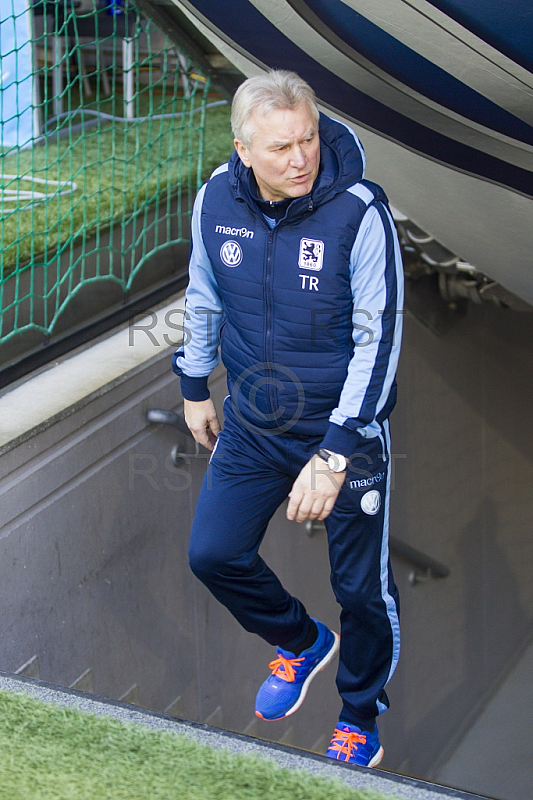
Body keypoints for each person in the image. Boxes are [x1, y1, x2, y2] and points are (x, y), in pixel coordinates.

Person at [172, 70, 403, 768]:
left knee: (360, 590)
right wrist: (192, 385)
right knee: (212, 553)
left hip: (341, 433)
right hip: (252, 420)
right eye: (280, 148)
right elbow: (203, 292)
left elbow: (381, 338)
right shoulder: (215, 197)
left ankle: (359, 715)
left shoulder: (359, 210)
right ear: (243, 149)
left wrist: (334, 453)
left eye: (307, 139)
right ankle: (300, 642)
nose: (300, 159)